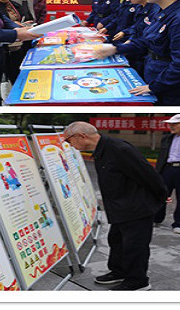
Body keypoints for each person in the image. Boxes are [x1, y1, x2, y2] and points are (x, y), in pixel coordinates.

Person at [63, 121, 167, 291]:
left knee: (135, 246)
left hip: (136, 207)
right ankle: (119, 272)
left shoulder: (119, 149)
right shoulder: (102, 150)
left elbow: (148, 174)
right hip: (119, 207)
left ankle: (138, 281)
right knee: (117, 241)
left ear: (81, 136)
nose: (69, 145)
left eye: (68, 140)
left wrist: (161, 196)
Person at [110, 0, 161, 77]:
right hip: (137, 49)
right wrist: (130, 39)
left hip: (146, 54)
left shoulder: (156, 10)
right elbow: (137, 27)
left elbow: (147, 38)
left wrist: (119, 48)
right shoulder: (140, 7)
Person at [0, 0, 28, 85]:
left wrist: (22, 24)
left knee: (17, 71)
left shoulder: (14, 5)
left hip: (17, 43)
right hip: (1, 45)